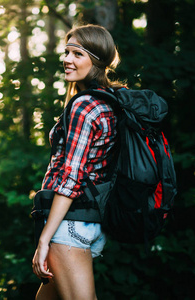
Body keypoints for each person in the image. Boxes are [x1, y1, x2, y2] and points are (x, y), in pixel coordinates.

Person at [31, 24, 123, 299]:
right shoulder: (110, 101)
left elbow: (70, 177)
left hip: (70, 225)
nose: (67, 59)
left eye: (78, 54)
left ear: (96, 60)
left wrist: (44, 239)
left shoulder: (85, 106)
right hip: (89, 221)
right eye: (67, 51)